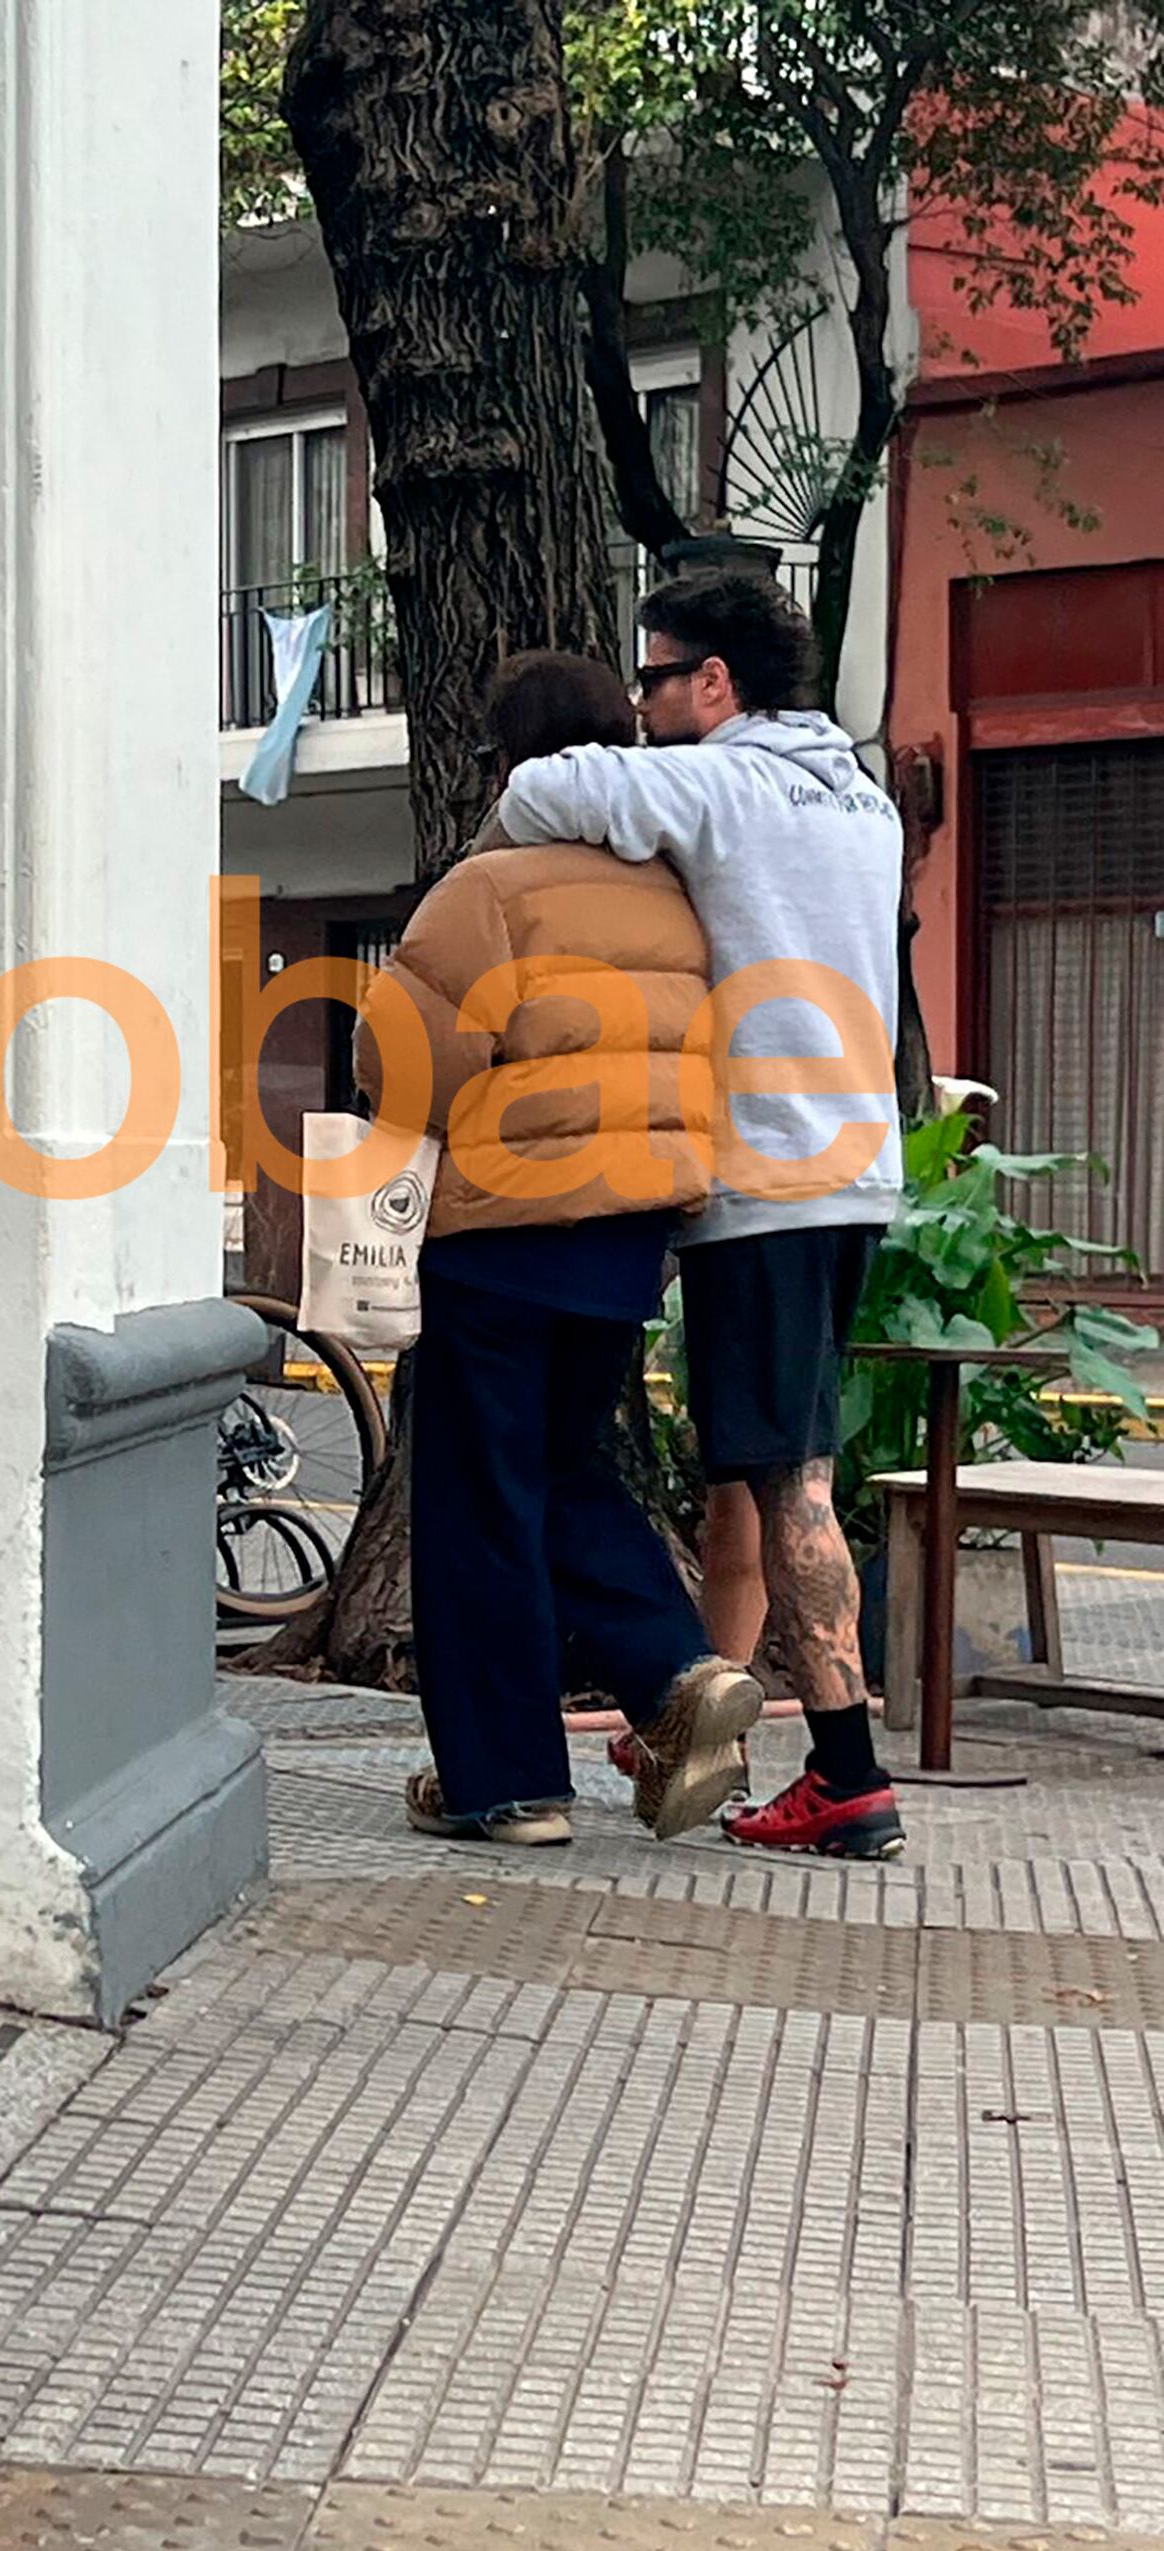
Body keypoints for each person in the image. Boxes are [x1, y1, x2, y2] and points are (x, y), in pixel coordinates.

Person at [494, 574, 906, 1862]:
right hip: (854, 1164)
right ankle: (697, 1707)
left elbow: (537, 792)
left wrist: (604, 755)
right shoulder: (866, 794)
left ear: (715, 683)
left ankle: (850, 1777)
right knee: (747, 1456)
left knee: (790, 1477)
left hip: (767, 1178)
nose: (642, 701)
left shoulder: (721, 785)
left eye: (656, 678)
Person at [356, 651, 764, 1852]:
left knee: (480, 1500)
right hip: (629, 1242)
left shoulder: (488, 890)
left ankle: (509, 1783)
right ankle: (677, 1673)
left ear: (505, 759)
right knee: (565, 1471)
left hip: (501, 1237)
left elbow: (403, 1066)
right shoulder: (673, 896)